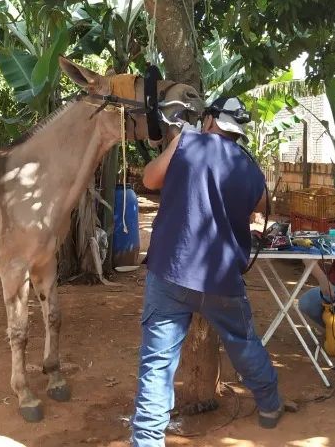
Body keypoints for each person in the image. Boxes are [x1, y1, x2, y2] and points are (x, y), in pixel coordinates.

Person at [130, 97, 283, 447]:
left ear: (210, 119)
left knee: (157, 362)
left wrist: (181, 141)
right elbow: (261, 205)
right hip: (221, 278)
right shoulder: (250, 168)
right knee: (243, 342)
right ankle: (270, 405)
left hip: (170, 270)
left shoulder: (188, 141)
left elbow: (150, 178)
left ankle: (147, 441)